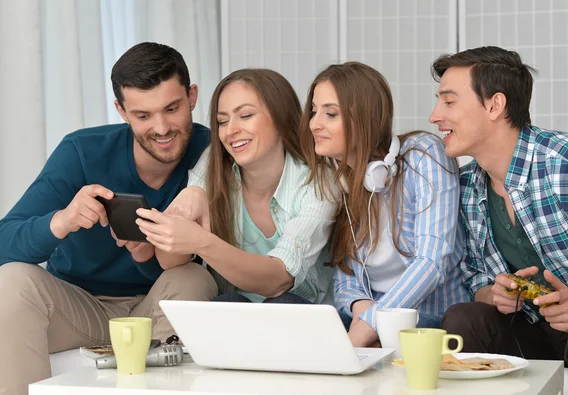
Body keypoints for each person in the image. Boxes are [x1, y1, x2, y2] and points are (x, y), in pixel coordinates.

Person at [0, 42, 217, 395]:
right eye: (143, 115)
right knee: (11, 280)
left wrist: (144, 255)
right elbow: (3, 241)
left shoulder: (213, 155)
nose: (161, 128)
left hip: (157, 304)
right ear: (121, 110)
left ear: (192, 97)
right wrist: (62, 221)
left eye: (172, 109)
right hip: (78, 307)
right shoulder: (81, 151)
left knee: (192, 277)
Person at [430, 46, 568, 395]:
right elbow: (475, 276)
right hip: (533, 331)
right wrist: (496, 295)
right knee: (464, 318)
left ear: (495, 105)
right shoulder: (466, 187)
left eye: (449, 102)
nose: (434, 116)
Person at [298, 61, 469, 347]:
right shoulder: (340, 180)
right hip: (371, 320)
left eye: (330, 114)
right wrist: (363, 310)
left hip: (427, 320)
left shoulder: (423, 155)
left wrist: (372, 323)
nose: (315, 123)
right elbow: (347, 277)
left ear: (364, 117)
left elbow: (431, 261)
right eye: (314, 112)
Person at [135, 69, 336, 304]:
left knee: (283, 303)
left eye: (246, 115)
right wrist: (193, 193)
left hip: (304, 311)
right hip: (235, 306)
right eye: (222, 121)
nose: (230, 131)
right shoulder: (215, 161)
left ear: (281, 117)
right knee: (227, 301)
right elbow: (169, 261)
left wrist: (201, 241)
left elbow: (279, 280)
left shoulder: (320, 182)